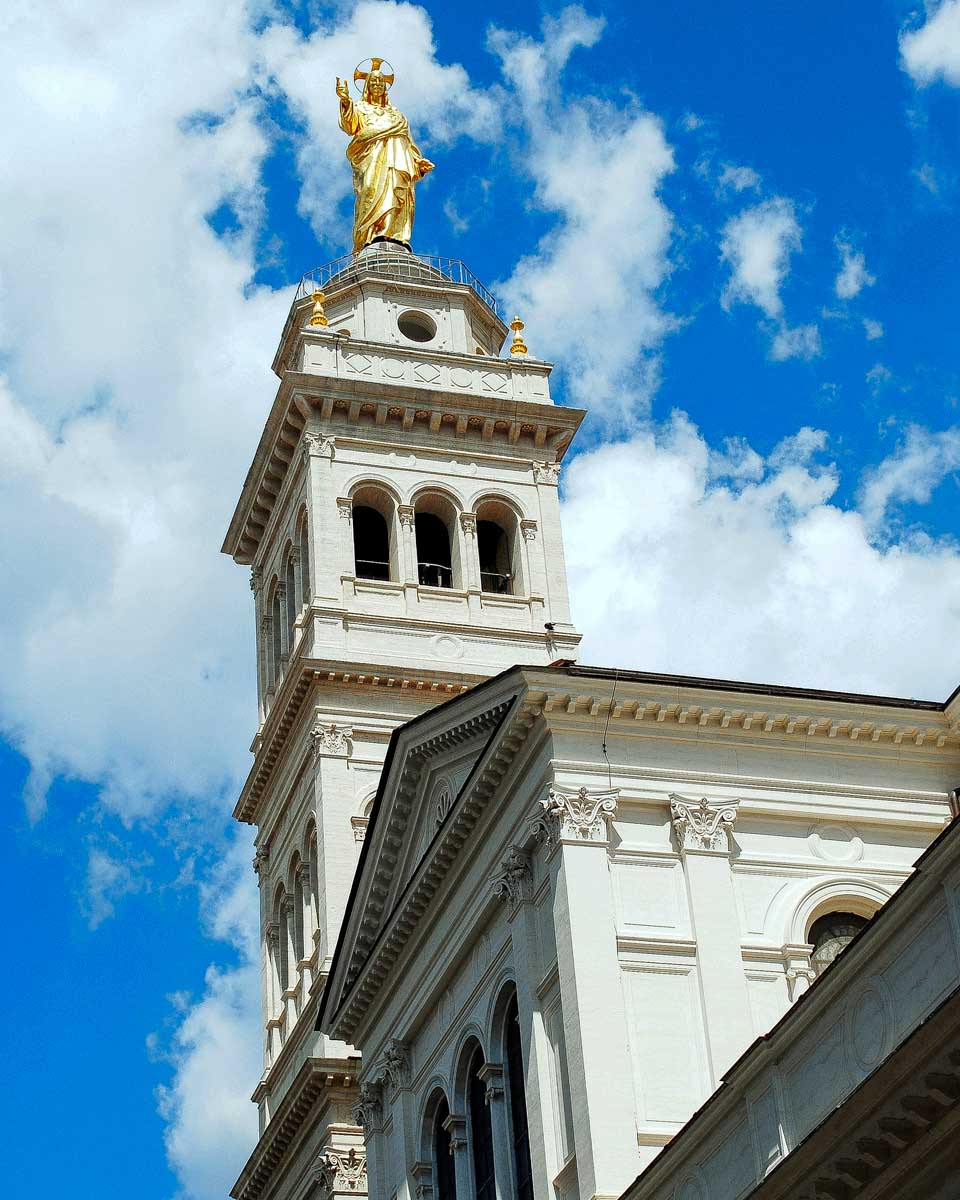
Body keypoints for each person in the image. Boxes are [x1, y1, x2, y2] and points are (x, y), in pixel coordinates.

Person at [336, 60, 435, 254]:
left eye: (381, 81)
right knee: (371, 190)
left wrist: (417, 161)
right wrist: (346, 100)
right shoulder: (361, 108)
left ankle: (393, 234)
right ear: (367, 86)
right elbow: (350, 125)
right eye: (373, 81)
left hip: (397, 157)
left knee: (398, 192)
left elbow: (408, 141)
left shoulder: (396, 114)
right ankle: (371, 233)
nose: (377, 84)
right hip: (372, 157)